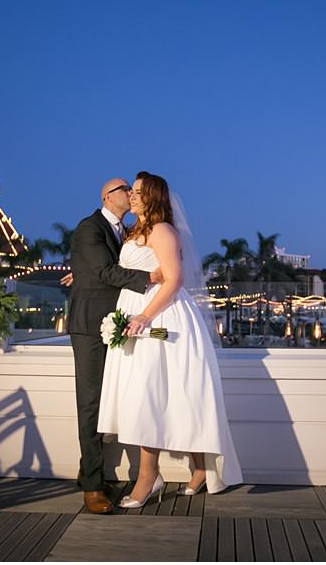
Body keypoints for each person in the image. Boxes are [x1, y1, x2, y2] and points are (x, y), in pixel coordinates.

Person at [97, 171, 242, 508]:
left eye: (137, 192)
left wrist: (145, 316)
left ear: (154, 197)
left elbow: (173, 280)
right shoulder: (135, 232)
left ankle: (149, 476)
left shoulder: (162, 231)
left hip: (160, 322)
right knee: (167, 395)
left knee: (155, 395)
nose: (131, 196)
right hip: (135, 318)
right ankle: (198, 468)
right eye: (130, 191)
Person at [67, 177, 162, 514]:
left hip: (118, 324)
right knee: (90, 404)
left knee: (112, 399)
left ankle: (88, 473)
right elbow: (106, 270)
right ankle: (93, 486)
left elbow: (99, 267)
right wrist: (152, 277)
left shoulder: (126, 230)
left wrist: (80, 270)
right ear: (108, 197)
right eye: (125, 189)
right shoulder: (89, 227)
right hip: (91, 326)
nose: (130, 194)